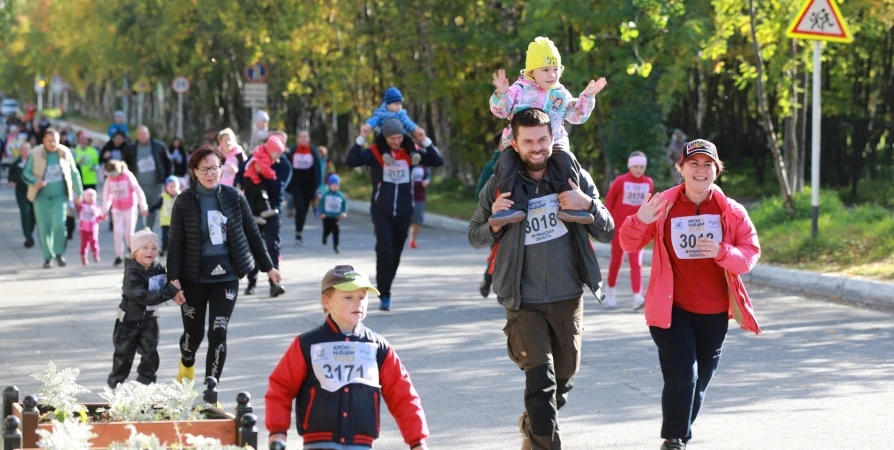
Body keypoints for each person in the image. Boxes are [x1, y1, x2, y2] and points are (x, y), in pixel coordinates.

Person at [467, 108, 614, 450]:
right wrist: (495, 222)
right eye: (528, 141)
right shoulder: (499, 186)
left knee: (563, 379)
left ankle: (531, 425)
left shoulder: (573, 176)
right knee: (541, 381)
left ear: (553, 139)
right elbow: (474, 235)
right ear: (515, 144)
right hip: (524, 301)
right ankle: (545, 442)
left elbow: (607, 231)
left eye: (543, 140)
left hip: (567, 296)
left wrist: (587, 204)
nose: (537, 148)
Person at [619, 139, 761, 450]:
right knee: (684, 374)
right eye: (693, 164)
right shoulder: (662, 206)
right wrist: (639, 219)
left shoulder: (731, 211)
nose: (700, 170)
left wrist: (722, 251)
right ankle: (673, 441)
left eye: (707, 164)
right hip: (671, 310)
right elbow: (629, 244)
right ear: (680, 169)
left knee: (697, 384)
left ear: (716, 170)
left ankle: (678, 435)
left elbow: (750, 253)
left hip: (713, 312)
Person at [265, 264, 430, 450]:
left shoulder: (378, 347)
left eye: (362, 297)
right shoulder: (307, 344)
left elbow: (403, 395)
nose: (358, 302)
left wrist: (417, 441)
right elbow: (280, 387)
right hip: (318, 443)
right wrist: (277, 431)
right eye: (348, 297)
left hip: (361, 443)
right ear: (326, 301)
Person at [167, 146, 282, 384]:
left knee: (218, 331)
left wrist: (268, 267)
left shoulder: (234, 197)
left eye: (215, 168)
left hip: (227, 276)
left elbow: (252, 233)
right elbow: (175, 243)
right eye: (204, 169)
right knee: (194, 335)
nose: (210, 174)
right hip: (193, 278)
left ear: (222, 168)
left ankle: (211, 386)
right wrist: (173, 281)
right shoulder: (184, 202)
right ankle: (186, 362)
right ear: (195, 171)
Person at [489, 36, 607, 227]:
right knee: (506, 163)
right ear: (531, 71)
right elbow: (501, 111)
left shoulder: (560, 92)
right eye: (545, 70)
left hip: (554, 141)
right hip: (520, 143)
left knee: (566, 162)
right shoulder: (519, 89)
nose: (552, 75)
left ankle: (570, 205)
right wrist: (501, 93)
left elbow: (576, 115)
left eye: (556, 69)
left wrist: (588, 96)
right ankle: (512, 207)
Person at [345, 119, 444, 311]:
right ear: (385, 137)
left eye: (399, 137)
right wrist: (361, 137)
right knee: (385, 250)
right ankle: (384, 293)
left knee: (396, 253)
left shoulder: (410, 152)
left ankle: (386, 286)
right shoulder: (375, 152)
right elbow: (351, 160)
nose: (396, 141)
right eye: (392, 138)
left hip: (404, 210)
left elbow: (437, 160)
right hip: (382, 210)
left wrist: (425, 140)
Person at [107, 229, 185, 388]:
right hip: (128, 321)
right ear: (135, 251)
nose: (150, 251)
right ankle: (115, 386)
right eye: (145, 247)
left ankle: (145, 384)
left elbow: (167, 284)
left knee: (151, 354)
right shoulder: (131, 273)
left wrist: (175, 292)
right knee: (123, 356)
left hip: (149, 320)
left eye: (154, 248)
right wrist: (169, 291)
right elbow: (143, 297)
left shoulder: (157, 268)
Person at [239, 131, 292, 298]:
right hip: (252, 209)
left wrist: (262, 173)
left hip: (273, 210)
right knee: (253, 245)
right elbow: (242, 175)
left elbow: (278, 187)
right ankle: (252, 282)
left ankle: (274, 284)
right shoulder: (256, 155)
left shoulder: (284, 165)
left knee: (272, 246)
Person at [21, 128, 84, 268]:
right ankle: (48, 257)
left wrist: (79, 192)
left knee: (59, 225)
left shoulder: (64, 152)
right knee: (44, 228)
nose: (53, 143)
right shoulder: (35, 153)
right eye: (49, 140)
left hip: (59, 196)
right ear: (43, 140)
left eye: (55, 140)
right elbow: (25, 173)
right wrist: (34, 181)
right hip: (40, 197)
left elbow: (74, 173)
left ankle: (59, 253)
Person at [603, 150, 654, 309]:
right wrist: (606, 223)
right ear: (630, 166)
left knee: (636, 262)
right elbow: (609, 201)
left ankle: (637, 296)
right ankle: (610, 290)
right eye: (636, 166)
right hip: (619, 228)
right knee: (616, 261)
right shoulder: (620, 181)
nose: (639, 169)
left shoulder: (648, 182)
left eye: (642, 166)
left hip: (637, 229)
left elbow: (649, 205)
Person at [124, 126, 171, 232]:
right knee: (137, 209)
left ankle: (149, 231)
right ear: (136, 136)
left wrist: (167, 180)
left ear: (149, 134)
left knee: (151, 210)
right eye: (140, 134)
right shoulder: (130, 149)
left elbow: (168, 162)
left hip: (155, 185)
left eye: (144, 133)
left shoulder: (159, 147)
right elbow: (124, 165)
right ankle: (140, 234)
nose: (142, 136)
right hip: (137, 186)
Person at [103, 160, 149, 266]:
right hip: (117, 209)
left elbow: (138, 190)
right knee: (117, 232)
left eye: (115, 173)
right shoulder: (109, 179)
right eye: (111, 174)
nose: (113, 175)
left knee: (129, 233)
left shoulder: (128, 175)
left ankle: (132, 251)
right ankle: (119, 254)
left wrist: (143, 206)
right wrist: (105, 210)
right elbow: (106, 195)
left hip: (130, 207)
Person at [475, 134, 504, 298]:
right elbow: (479, 192)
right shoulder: (491, 167)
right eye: (503, 141)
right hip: (496, 218)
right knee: (499, 251)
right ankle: (488, 280)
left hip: (518, 217)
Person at [361, 86, 426, 151]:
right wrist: (368, 125)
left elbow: (408, 122)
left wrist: (415, 128)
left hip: (400, 135)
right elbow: (374, 120)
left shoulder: (401, 114)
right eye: (396, 104)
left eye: (400, 104)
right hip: (385, 135)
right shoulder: (381, 114)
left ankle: (412, 153)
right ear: (388, 104)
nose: (399, 106)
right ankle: (385, 154)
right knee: (379, 140)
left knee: (408, 140)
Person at [286, 130, 321, 245]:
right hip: (296, 184)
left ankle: (299, 231)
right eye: (301, 137)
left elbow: (317, 169)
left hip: (309, 185)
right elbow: (287, 165)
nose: (303, 139)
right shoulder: (293, 150)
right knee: (299, 207)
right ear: (298, 139)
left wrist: (316, 186)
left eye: (305, 137)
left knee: (304, 210)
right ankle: (298, 233)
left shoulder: (313, 151)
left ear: (308, 139)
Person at [243, 134, 286, 224]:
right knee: (261, 194)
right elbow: (264, 169)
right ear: (271, 150)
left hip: (251, 177)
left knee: (256, 196)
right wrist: (273, 174)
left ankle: (255, 215)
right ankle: (265, 210)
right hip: (251, 178)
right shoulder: (265, 158)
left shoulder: (262, 152)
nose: (279, 156)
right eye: (277, 153)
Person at [7, 142, 35, 248]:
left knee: (32, 214)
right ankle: (28, 237)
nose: (25, 152)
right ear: (20, 151)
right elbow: (11, 174)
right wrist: (11, 181)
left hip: (32, 191)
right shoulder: (17, 163)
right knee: (25, 212)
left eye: (27, 149)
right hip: (21, 192)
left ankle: (30, 231)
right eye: (23, 149)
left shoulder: (34, 162)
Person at [318, 174, 347, 253]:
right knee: (327, 230)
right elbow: (321, 204)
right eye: (333, 185)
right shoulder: (326, 195)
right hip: (327, 216)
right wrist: (321, 213)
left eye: (336, 185)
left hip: (336, 217)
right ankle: (325, 237)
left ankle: (336, 246)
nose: (334, 187)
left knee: (336, 231)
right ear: (329, 185)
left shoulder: (340, 195)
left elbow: (344, 204)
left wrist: (344, 212)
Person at [76, 188, 105, 265]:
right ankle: (83, 257)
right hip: (84, 228)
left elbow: (100, 217)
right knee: (84, 243)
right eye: (89, 196)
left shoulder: (96, 207)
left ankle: (96, 254)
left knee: (94, 241)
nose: (91, 198)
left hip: (93, 228)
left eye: (92, 196)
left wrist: (103, 216)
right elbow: (77, 205)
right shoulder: (82, 206)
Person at [407, 164, 431, 249]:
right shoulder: (406, 161)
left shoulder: (424, 165)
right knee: (403, 218)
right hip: (405, 195)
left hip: (419, 196)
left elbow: (428, 177)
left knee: (417, 219)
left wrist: (427, 181)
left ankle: (412, 240)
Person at [157, 176, 181, 257]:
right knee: (165, 237)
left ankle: (175, 250)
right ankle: (163, 248)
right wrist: (149, 210)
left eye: (175, 186)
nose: (173, 188)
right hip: (165, 222)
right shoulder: (163, 196)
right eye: (170, 186)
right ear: (166, 187)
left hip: (177, 222)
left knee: (176, 237)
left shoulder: (181, 196)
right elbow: (157, 205)